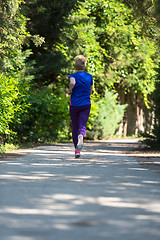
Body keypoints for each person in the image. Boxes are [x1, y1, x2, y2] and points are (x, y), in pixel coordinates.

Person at [67, 55, 93, 158]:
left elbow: (72, 83)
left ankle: (77, 151)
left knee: (75, 127)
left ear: (75, 65)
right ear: (84, 65)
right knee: (82, 125)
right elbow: (90, 91)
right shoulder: (89, 76)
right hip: (86, 104)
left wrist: (69, 90)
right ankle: (81, 136)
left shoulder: (72, 76)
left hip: (74, 104)